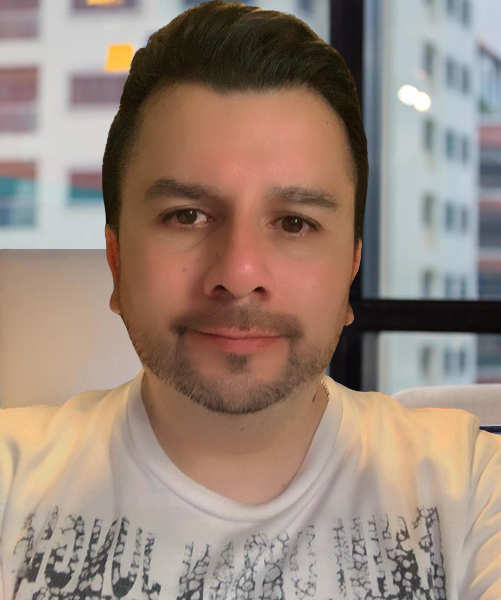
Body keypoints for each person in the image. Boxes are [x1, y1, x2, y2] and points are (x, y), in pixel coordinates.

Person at [1, 1, 499, 597]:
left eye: (294, 223)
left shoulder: (472, 488)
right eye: (186, 215)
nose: (239, 274)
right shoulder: (11, 480)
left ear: (351, 267)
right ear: (116, 259)